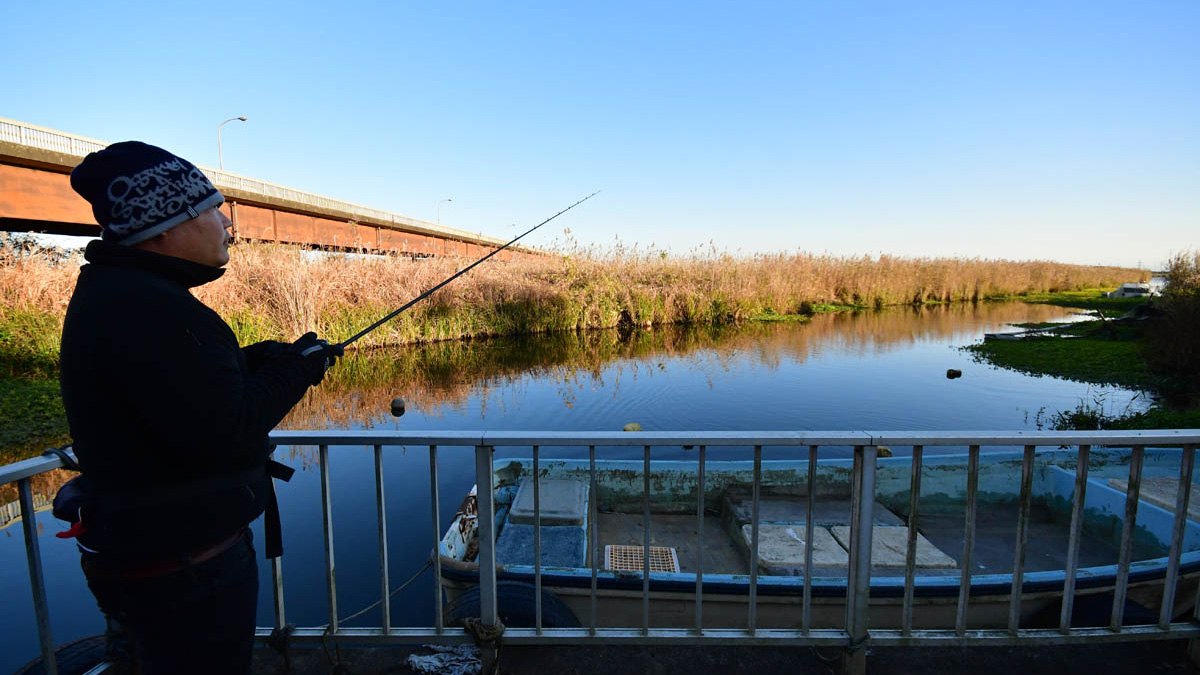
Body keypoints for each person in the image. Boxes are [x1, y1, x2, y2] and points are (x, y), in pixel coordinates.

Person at [58, 141, 341, 675]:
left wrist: (265, 358)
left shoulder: (122, 295)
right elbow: (227, 427)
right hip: (183, 572)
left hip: (149, 558)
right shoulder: (147, 307)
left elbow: (184, 390)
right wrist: (296, 369)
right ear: (164, 225)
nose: (227, 224)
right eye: (213, 208)